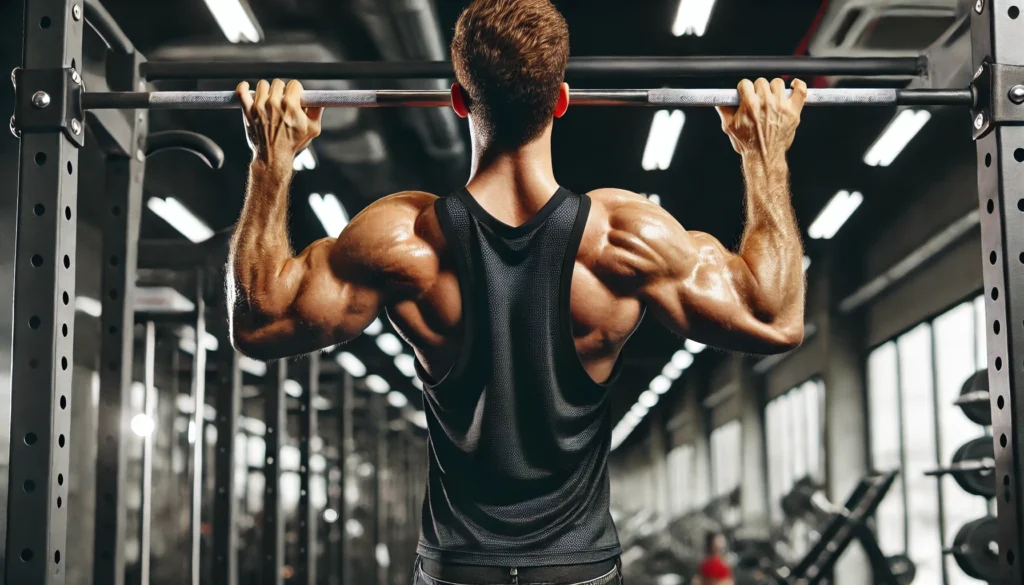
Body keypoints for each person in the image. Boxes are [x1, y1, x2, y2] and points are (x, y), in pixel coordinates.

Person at [227, 0, 806, 583]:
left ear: (459, 100)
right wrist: (765, 157)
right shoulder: (624, 240)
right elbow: (774, 317)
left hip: (458, 568)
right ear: (561, 100)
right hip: (577, 569)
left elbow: (260, 322)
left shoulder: (404, 242)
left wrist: (271, 162)